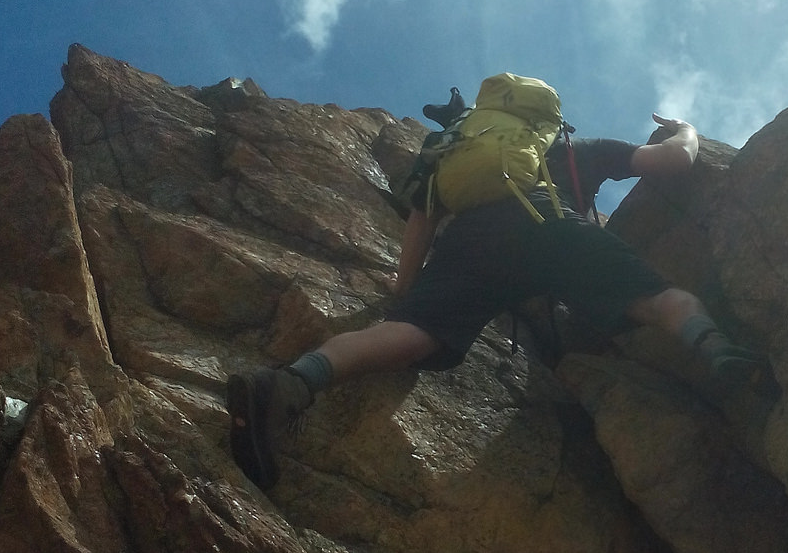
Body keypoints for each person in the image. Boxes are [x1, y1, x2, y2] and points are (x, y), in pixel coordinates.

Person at [226, 102, 761, 490]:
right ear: (545, 121)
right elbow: (673, 162)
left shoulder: (457, 159)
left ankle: (291, 383)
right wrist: (687, 129)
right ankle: (715, 348)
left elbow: (423, 216)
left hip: (473, 239)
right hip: (554, 223)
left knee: (412, 335)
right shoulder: (576, 148)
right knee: (654, 297)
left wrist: (406, 297)